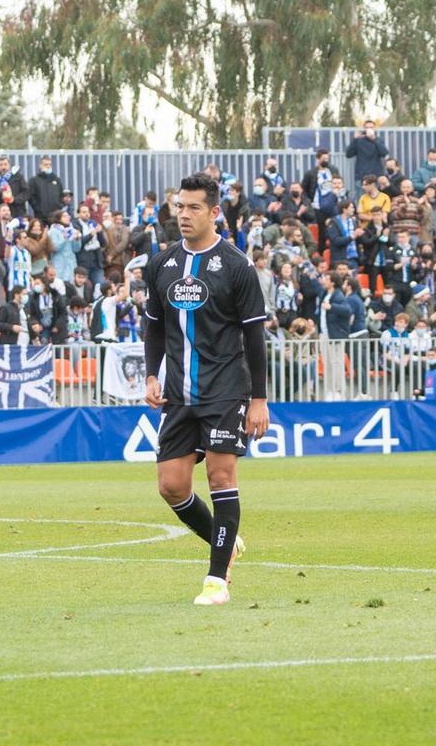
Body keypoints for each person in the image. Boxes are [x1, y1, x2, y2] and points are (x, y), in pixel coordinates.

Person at [143, 173, 270, 607]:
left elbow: (255, 337)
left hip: (226, 390)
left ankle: (217, 580)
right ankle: (226, 541)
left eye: (194, 207)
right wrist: (150, 374)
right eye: (180, 206)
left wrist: (258, 399)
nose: (183, 214)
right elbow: (154, 327)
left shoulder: (236, 265)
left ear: (215, 212)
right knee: (172, 486)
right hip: (178, 393)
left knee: (220, 476)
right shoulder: (160, 265)